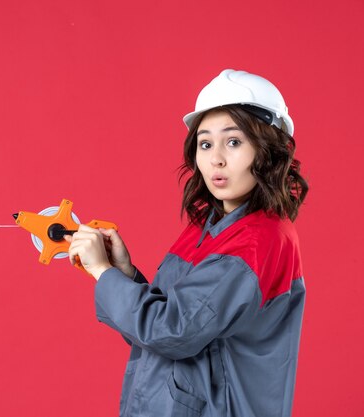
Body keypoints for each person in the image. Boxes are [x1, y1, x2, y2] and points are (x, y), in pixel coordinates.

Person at [65, 69, 308, 417]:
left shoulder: (258, 240)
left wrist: (103, 273)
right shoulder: (209, 226)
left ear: (268, 151)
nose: (216, 159)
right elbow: (162, 327)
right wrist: (126, 274)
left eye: (234, 141)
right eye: (205, 143)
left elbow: (173, 332)